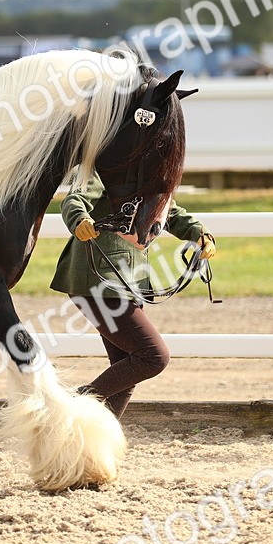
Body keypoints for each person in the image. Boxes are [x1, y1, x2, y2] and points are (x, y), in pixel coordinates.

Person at [50, 174, 216, 419]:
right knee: (153, 356)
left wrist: (198, 233)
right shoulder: (104, 166)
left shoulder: (150, 171)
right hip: (97, 280)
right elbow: (75, 199)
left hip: (127, 282)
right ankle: (69, 408)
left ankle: (93, 444)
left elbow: (166, 211)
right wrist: (80, 219)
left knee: (126, 373)